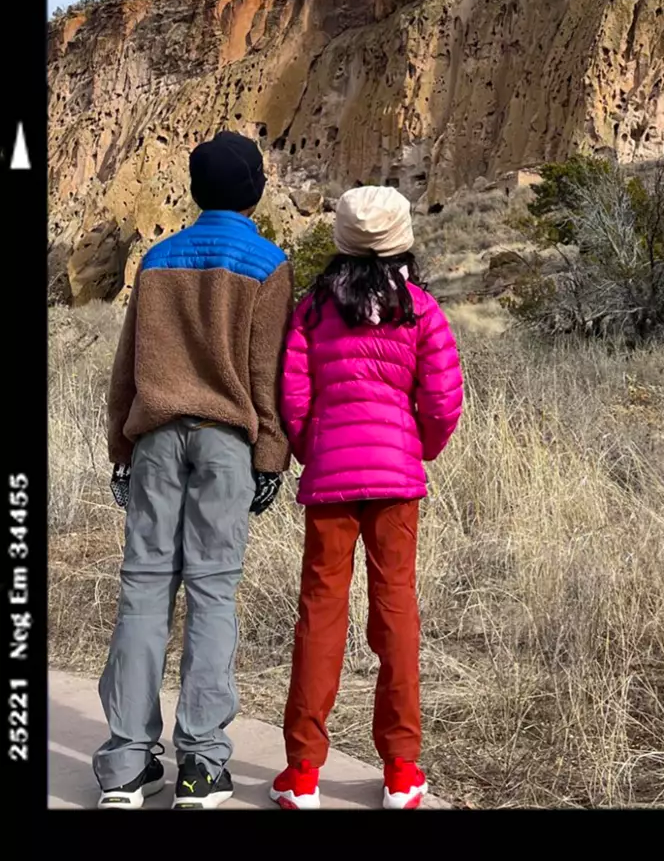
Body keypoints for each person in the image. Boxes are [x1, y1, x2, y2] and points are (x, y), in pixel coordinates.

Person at [95, 131, 293, 810]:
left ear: (195, 189)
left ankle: (124, 764)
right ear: (255, 190)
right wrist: (270, 457)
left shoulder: (157, 260)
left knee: (144, 591)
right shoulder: (269, 264)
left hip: (153, 441)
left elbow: (128, 367)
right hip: (226, 447)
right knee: (212, 594)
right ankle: (202, 766)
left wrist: (121, 448)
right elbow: (267, 376)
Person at [269, 187, 463, 812]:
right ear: (403, 240)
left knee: (320, 614)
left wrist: (312, 449)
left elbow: (294, 398)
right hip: (396, 481)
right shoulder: (422, 310)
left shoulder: (313, 311)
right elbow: (441, 400)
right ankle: (402, 770)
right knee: (396, 613)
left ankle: (302, 774)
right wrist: (418, 448)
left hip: (331, 480)